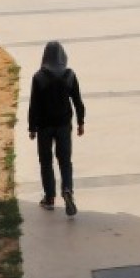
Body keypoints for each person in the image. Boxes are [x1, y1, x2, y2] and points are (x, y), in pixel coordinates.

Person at [27, 40, 86, 216]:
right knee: (65, 161)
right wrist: (80, 122)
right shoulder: (69, 75)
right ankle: (67, 189)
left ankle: (50, 198)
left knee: (46, 162)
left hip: (44, 126)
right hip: (63, 125)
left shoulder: (39, 77)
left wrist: (32, 128)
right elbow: (77, 101)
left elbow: (34, 105)